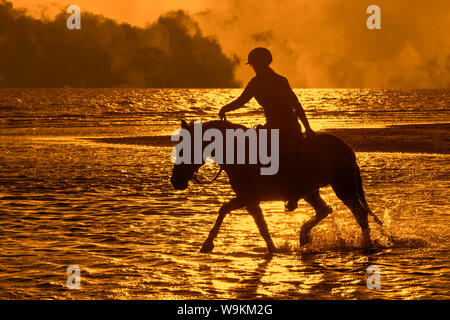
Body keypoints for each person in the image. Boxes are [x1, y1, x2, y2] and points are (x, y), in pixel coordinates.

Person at [219, 47, 314, 212]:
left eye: (256, 64)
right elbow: (242, 100)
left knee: (286, 154)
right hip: (271, 125)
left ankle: (293, 193)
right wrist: (225, 108)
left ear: (264, 63)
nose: (254, 67)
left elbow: (296, 105)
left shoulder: (280, 81)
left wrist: (308, 128)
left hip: (288, 125)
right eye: (252, 65)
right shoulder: (255, 83)